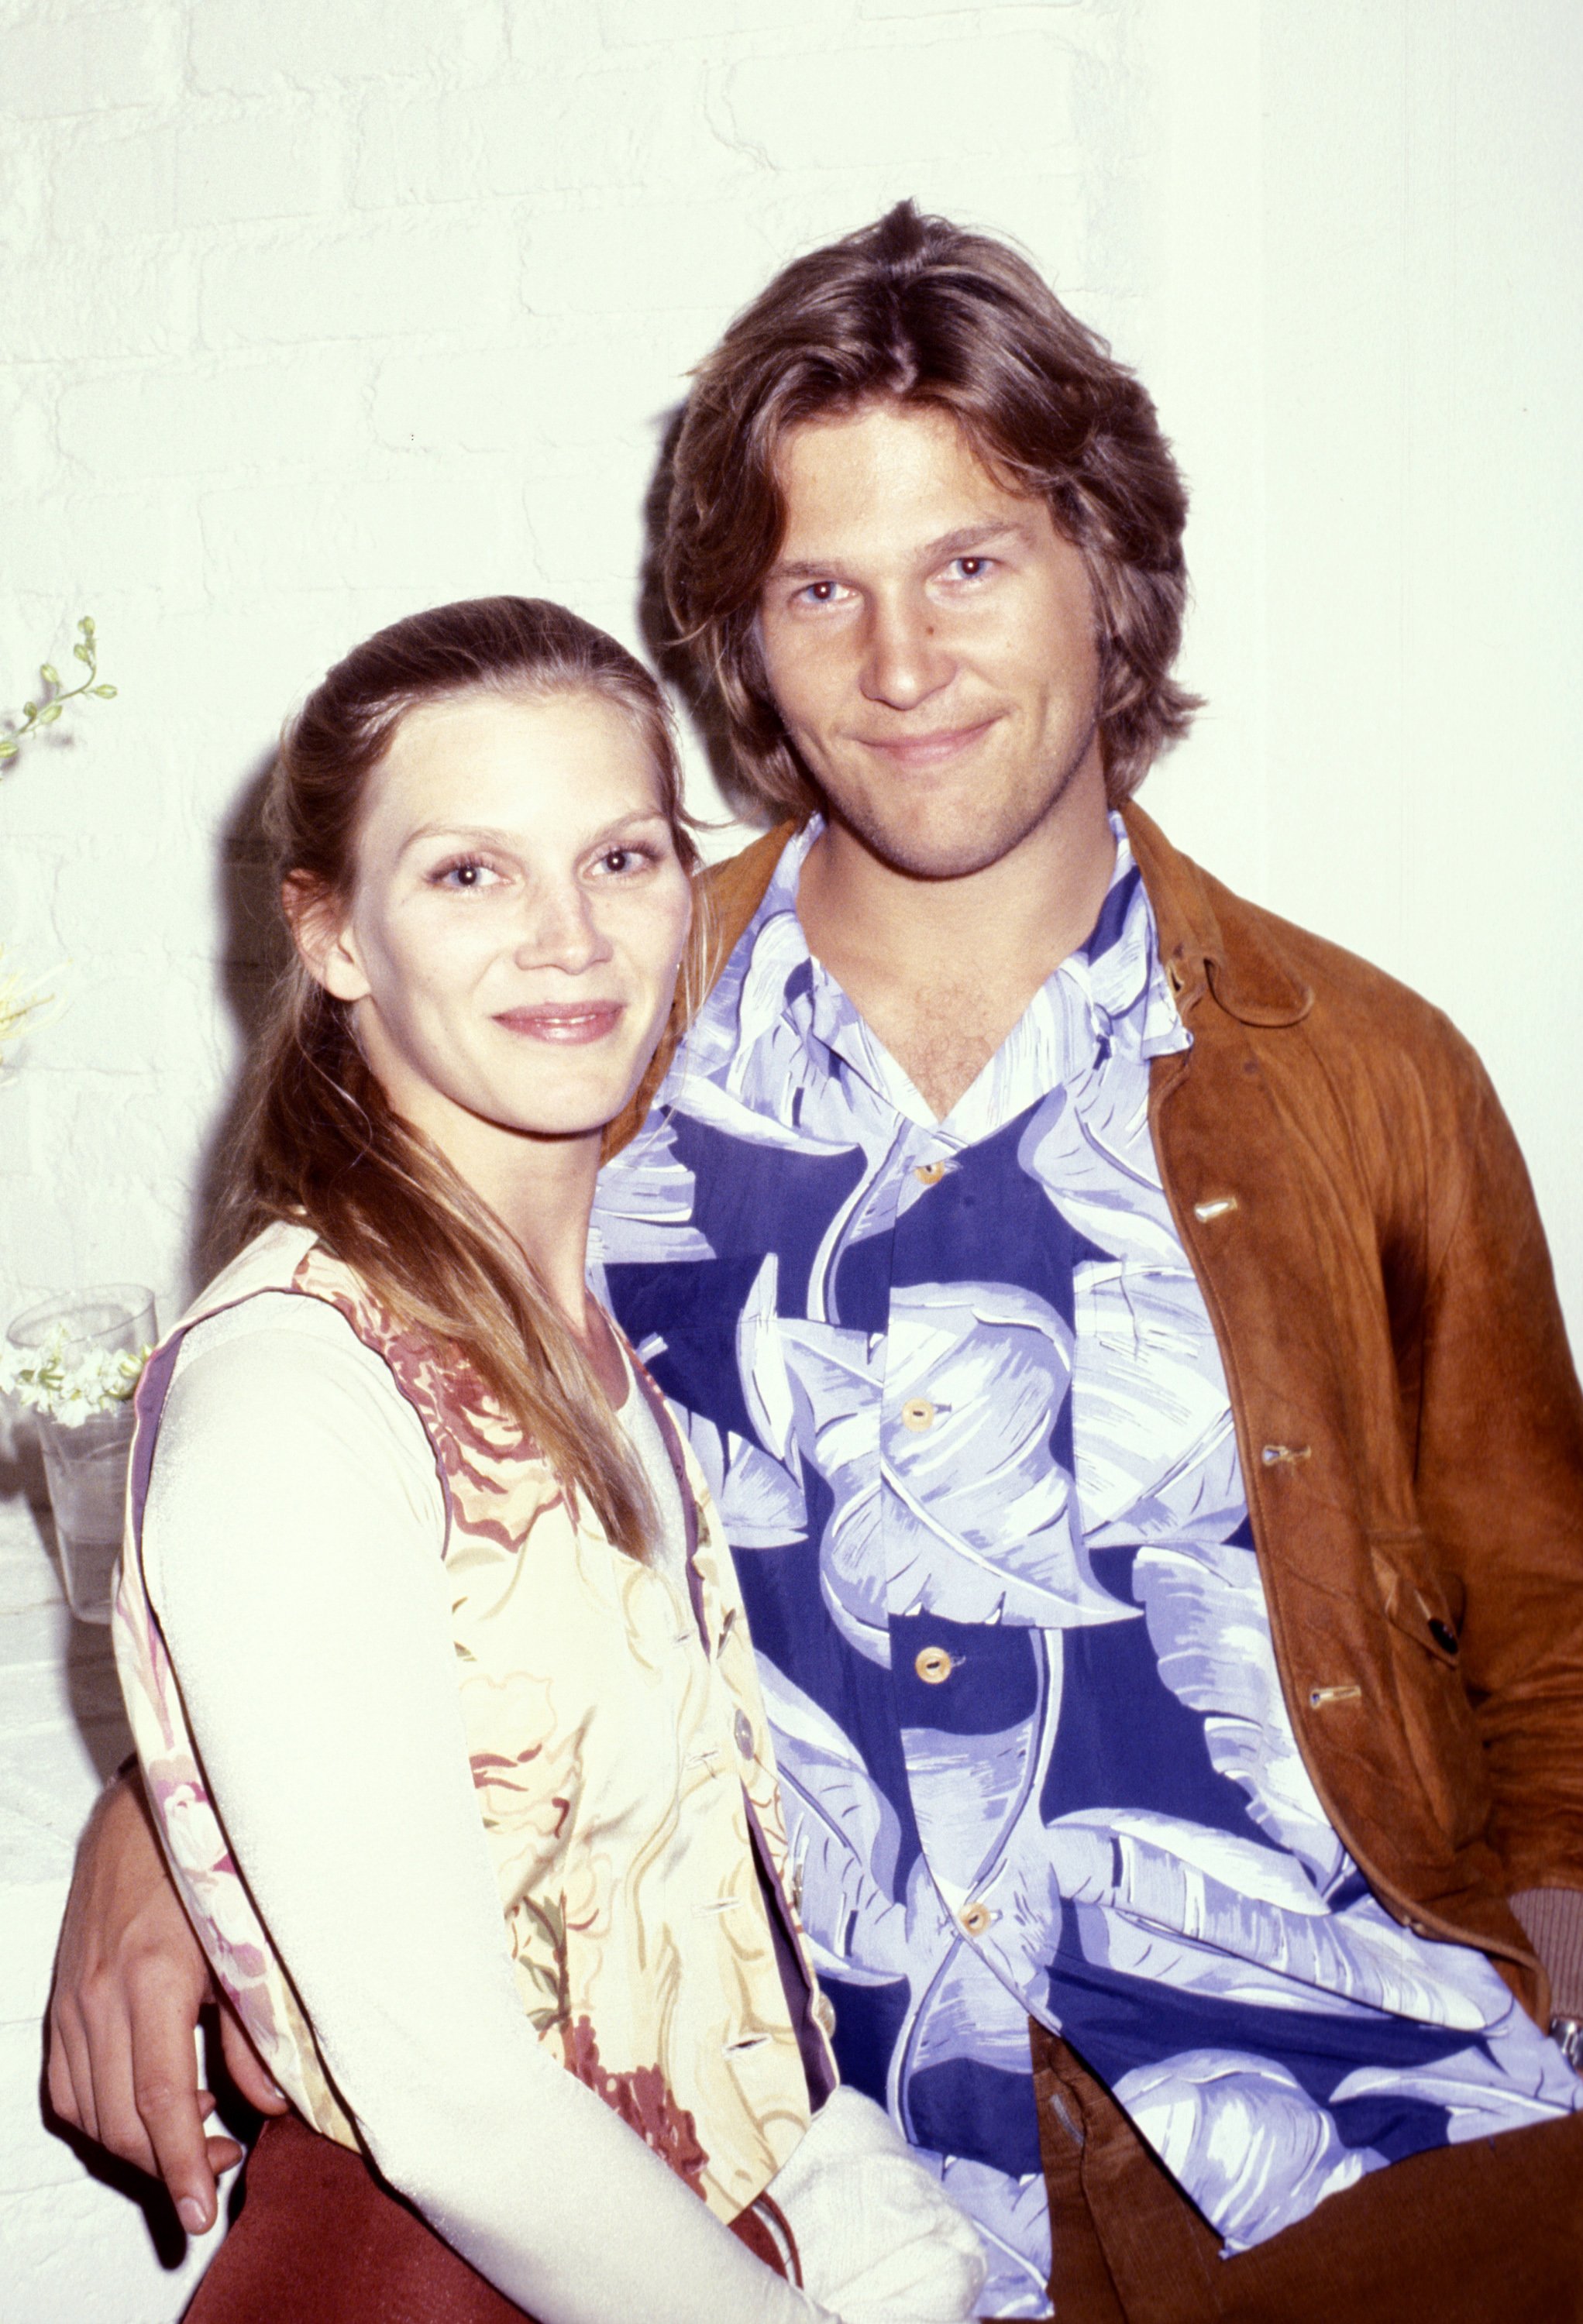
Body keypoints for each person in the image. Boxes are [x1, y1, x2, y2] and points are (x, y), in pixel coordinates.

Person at [51, 206, 1583, 2319]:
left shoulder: (1364, 1081)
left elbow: (1548, 1669)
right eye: (817, 590)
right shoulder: (593, 1023)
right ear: (739, 645)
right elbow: (370, 1437)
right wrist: (158, 1807)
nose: (900, 662)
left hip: (1353, 2119)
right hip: (828, 2156)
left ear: (1105, 575)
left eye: (969, 562)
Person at [100, 594, 985, 2323]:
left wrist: (849, 2191)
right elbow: (456, 2108)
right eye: (467, 874)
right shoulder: (296, 1396)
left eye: (623, 859)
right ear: (334, 935)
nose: (568, 940)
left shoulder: (578, 1337)